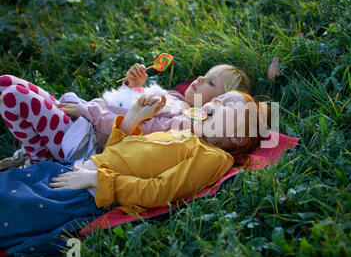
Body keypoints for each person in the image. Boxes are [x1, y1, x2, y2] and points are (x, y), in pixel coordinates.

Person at [0, 90, 269, 257]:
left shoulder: (213, 157)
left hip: (86, 193)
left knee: (13, 206)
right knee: (11, 185)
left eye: (229, 104)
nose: (218, 99)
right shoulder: (185, 133)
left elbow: (160, 192)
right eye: (221, 97)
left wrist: (98, 181)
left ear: (237, 136)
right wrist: (131, 119)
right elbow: (117, 154)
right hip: (76, 167)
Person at [0, 63, 251, 167]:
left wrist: (85, 110)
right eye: (205, 74)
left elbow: (135, 128)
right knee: (6, 82)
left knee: (14, 99)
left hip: (83, 142)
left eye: (210, 83)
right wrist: (134, 86)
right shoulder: (174, 98)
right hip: (83, 121)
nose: (198, 79)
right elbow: (127, 106)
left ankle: (41, 161)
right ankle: (38, 153)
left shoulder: (186, 123)